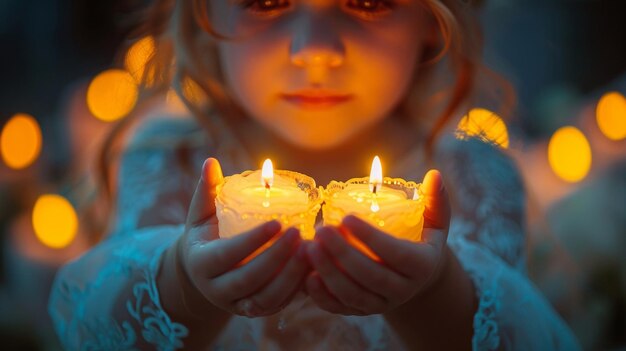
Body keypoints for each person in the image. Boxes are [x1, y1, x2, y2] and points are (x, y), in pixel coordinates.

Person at [49, 0, 581, 349]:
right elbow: (99, 332)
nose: (316, 51)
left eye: (368, 2)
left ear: (429, 19)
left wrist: (433, 293)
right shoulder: (171, 161)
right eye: (266, 1)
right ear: (205, 16)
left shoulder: (474, 177)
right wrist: (185, 284)